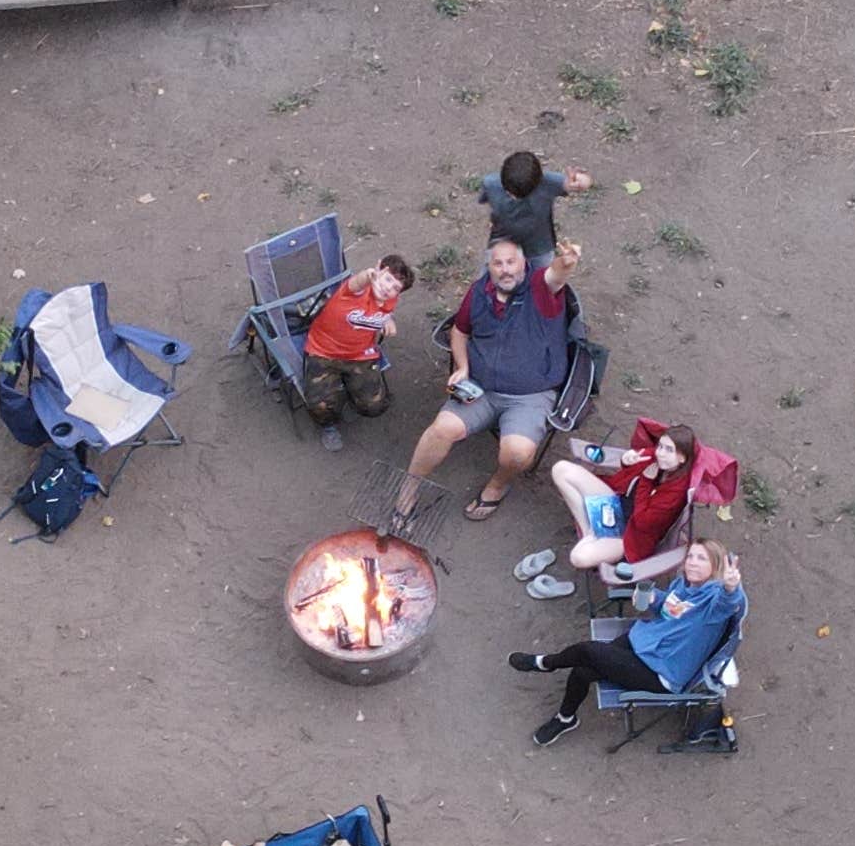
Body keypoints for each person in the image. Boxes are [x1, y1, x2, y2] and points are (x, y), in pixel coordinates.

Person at [384, 236, 575, 532]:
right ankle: (408, 491)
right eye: (498, 263)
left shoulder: (539, 288)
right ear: (489, 267)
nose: (505, 269)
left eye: (512, 262)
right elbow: (459, 331)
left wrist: (566, 262)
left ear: (524, 264)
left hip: (529, 395)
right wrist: (462, 367)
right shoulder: (479, 292)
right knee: (441, 428)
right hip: (481, 388)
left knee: (516, 452)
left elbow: (557, 275)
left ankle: (498, 485)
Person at [508, 541, 742, 747]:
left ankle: (545, 663)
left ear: (716, 566)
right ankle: (565, 719)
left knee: (588, 650)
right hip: (643, 642)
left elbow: (729, 603)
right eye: (690, 556)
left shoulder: (713, 600)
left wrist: (731, 587)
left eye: (701, 558)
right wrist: (654, 599)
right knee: (582, 670)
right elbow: (668, 609)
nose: (692, 562)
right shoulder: (684, 585)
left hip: (660, 671)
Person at [516, 418, 705, 598]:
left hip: (629, 535)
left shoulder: (677, 491)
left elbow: (642, 522)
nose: (660, 453)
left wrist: (646, 482)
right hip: (615, 504)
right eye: (661, 446)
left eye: (669, 450)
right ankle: (591, 531)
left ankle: (596, 535)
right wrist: (626, 459)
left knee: (578, 558)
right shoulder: (655, 457)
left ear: (682, 458)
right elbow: (629, 466)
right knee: (561, 469)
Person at [298, 253, 414, 445]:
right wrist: (369, 276)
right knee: (320, 406)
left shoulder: (389, 300)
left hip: (360, 355)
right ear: (378, 269)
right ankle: (328, 425)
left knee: (374, 407)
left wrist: (388, 320)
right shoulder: (355, 290)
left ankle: (350, 394)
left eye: (395, 288)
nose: (388, 288)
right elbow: (359, 282)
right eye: (387, 279)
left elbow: (383, 310)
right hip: (323, 352)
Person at [473, 147, 591, 270]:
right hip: (502, 241)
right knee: (486, 281)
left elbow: (571, 184)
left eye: (520, 196)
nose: (514, 198)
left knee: (541, 281)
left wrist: (581, 182)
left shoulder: (547, 183)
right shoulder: (490, 184)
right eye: (510, 193)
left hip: (539, 247)